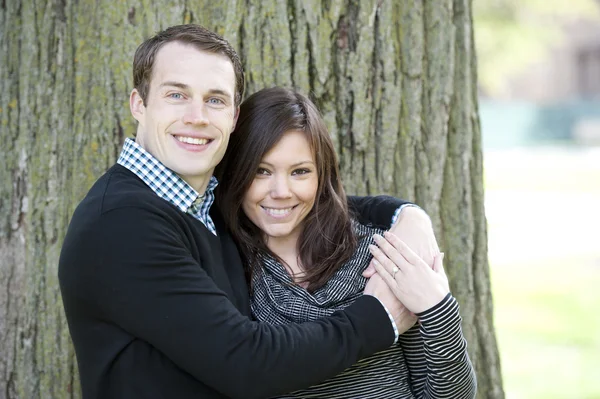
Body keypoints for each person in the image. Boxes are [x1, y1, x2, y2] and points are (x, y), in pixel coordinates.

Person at [58, 24, 437, 399]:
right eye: (176, 95)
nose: (197, 116)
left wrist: (407, 217)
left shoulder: (200, 202)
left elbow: (301, 202)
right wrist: (379, 317)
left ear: (234, 117)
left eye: (215, 99)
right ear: (139, 104)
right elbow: (247, 363)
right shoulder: (122, 225)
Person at [215, 87, 477, 398]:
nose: (281, 191)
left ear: (321, 176)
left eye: (300, 172)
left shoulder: (379, 254)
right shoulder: (225, 267)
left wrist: (438, 308)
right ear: (236, 174)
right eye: (261, 171)